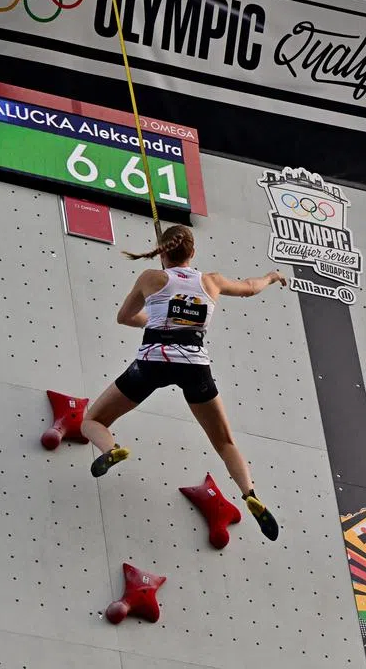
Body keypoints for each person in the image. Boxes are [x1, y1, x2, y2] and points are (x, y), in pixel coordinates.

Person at [79, 224, 287, 541]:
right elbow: (249, 287)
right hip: (194, 368)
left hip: (152, 363)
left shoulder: (151, 278)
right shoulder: (212, 281)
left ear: (163, 252)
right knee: (225, 443)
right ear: (192, 253)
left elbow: (124, 317)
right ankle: (249, 494)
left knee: (92, 420)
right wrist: (271, 277)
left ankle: (112, 448)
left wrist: (154, 318)